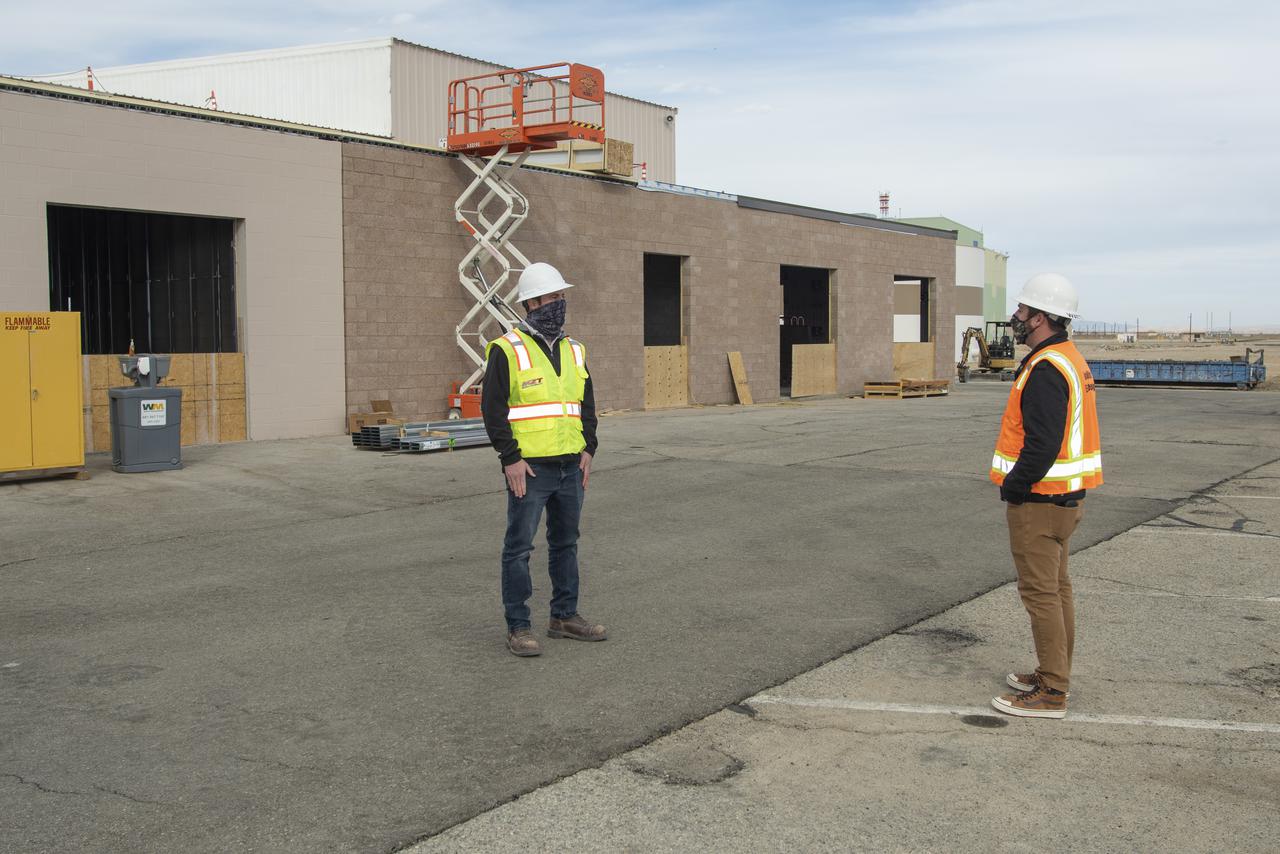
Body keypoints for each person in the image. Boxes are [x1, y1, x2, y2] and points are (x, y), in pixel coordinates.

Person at [989, 273, 1102, 718]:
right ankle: (1053, 671)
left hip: (1040, 500)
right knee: (1057, 591)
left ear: (1041, 318)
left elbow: (1042, 443)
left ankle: (1052, 691)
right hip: (1066, 499)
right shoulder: (1069, 358)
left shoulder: (1046, 368)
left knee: (1041, 594)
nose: (1016, 316)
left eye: (1022, 310)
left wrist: (1013, 486)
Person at [481, 262, 606, 657]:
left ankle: (564, 616)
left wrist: (589, 447)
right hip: (529, 470)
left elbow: (585, 404)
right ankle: (518, 627)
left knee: (566, 543)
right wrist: (510, 458)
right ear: (531, 303)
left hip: (571, 466)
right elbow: (493, 410)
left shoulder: (575, 349)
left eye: (561, 296)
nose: (559, 303)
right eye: (552, 297)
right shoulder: (506, 349)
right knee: (518, 548)